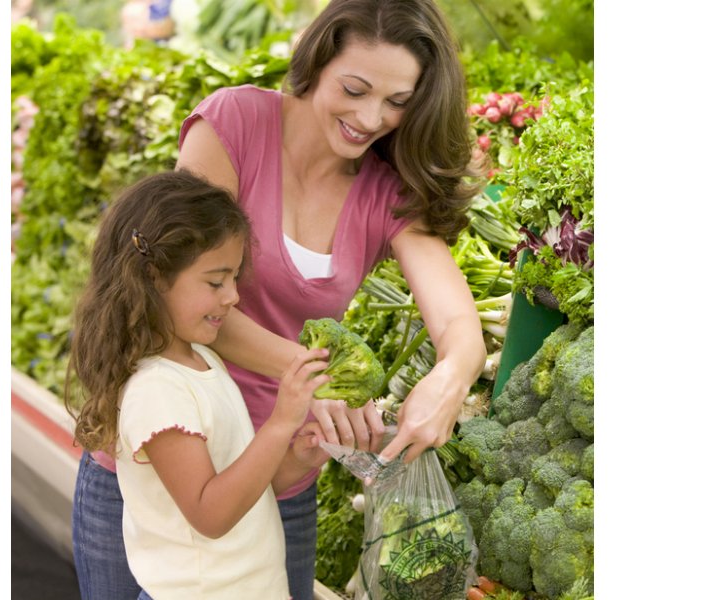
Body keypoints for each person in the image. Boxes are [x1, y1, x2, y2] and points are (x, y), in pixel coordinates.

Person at [69, 0, 487, 598]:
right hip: (152, 464)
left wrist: (449, 381)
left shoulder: (386, 191)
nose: (371, 118)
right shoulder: (234, 123)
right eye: (355, 88)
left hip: (279, 464)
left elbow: (455, 319)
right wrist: (316, 379)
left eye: (398, 103)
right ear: (318, 60)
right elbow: (182, 295)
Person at [65, 169, 331, 599]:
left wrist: (298, 459)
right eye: (215, 282)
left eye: (233, 279)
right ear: (153, 278)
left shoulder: (202, 359)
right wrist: (280, 423)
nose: (233, 296)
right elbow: (211, 514)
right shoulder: (157, 391)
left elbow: (243, 494)